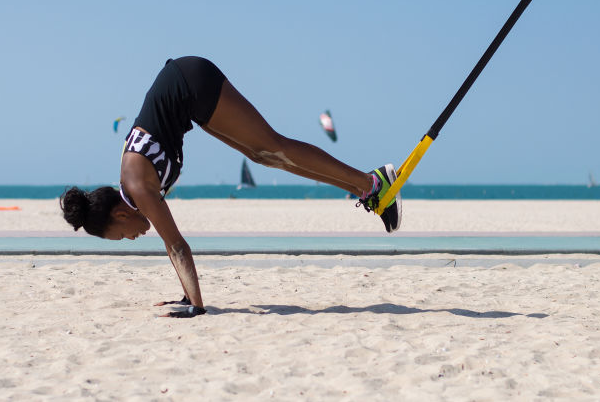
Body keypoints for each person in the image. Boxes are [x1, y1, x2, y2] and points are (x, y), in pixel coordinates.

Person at [60, 56, 402, 317]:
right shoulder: (131, 184)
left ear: (120, 214)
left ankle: (372, 182)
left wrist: (195, 305)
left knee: (272, 145)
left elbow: (176, 245)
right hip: (187, 94)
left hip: (191, 81)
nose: (132, 238)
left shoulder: (138, 187)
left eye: (122, 235)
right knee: (263, 156)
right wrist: (186, 296)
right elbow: (169, 242)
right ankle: (367, 189)